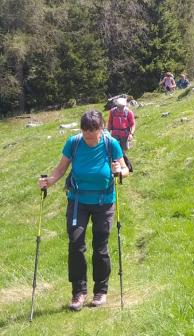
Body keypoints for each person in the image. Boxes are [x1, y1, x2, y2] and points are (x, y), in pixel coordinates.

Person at [38, 110, 129, 311]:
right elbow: (61, 169)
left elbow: (125, 170)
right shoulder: (74, 143)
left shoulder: (110, 143)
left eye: (93, 130)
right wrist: (48, 182)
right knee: (76, 243)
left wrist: (118, 171)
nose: (89, 135)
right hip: (78, 201)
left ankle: (100, 291)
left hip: (104, 201)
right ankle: (78, 293)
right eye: (85, 130)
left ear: (101, 128)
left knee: (100, 245)